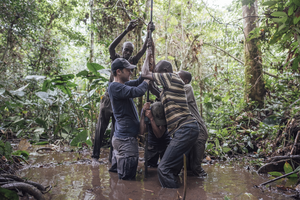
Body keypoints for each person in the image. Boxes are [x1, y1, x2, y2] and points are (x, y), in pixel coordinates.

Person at [92, 20, 154, 162]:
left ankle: (112, 158)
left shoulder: (130, 62)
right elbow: (111, 47)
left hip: (120, 101)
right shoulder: (117, 60)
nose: (127, 53)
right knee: (101, 127)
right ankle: (95, 157)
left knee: (116, 129)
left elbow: (143, 51)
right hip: (109, 98)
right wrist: (126, 30)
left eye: (130, 51)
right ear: (122, 50)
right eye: (126, 50)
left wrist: (149, 33)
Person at [141, 46, 199, 188]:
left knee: (164, 169)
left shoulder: (172, 77)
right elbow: (154, 89)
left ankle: (171, 195)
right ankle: (177, 192)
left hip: (185, 129)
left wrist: (148, 54)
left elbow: (144, 73)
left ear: (165, 72)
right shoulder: (168, 89)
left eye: (158, 74)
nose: (156, 77)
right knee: (172, 169)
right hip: (186, 130)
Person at [108, 58, 149, 180]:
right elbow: (138, 90)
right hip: (125, 141)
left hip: (123, 138)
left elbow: (139, 81)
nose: (130, 73)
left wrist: (148, 56)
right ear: (119, 71)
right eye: (128, 70)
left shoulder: (121, 86)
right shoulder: (115, 87)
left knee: (122, 179)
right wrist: (148, 80)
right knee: (127, 181)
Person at [178, 70, 208, 177]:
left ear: (185, 81)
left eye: (178, 76)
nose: (175, 78)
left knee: (196, 167)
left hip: (199, 131)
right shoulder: (178, 89)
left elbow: (174, 96)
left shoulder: (187, 88)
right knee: (187, 167)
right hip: (189, 130)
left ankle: (202, 189)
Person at [140, 102, 171, 168]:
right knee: (150, 166)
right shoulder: (147, 112)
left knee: (166, 167)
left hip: (165, 143)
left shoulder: (164, 111)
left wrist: (151, 119)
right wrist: (143, 115)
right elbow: (142, 132)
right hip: (151, 144)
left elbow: (159, 135)